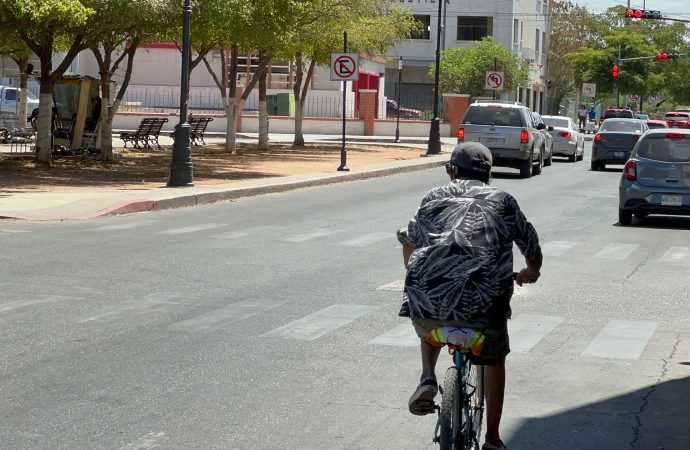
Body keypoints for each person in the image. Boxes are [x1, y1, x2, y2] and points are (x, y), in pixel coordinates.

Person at [397, 142, 542, 450]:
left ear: (452, 170)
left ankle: (427, 378)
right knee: (493, 358)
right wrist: (532, 270)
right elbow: (529, 242)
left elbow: (408, 240)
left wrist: (417, 275)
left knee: (431, 316)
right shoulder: (503, 200)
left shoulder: (433, 197)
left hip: (427, 299)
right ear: (488, 174)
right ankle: (491, 439)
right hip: (483, 306)